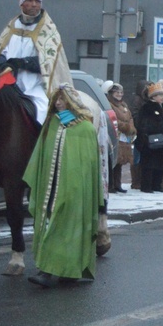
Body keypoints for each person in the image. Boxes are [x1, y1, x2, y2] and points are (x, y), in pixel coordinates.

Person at [23, 85, 104, 288]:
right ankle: (48, 269)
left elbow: (90, 166)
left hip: (75, 190)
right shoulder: (51, 125)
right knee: (51, 223)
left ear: (72, 102)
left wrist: (79, 188)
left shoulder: (85, 129)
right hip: (50, 189)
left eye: (62, 99)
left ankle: (64, 270)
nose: (58, 103)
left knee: (68, 227)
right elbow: (40, 155)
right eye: (56, 99)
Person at [0, 0, 72, 126]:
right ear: (21, 3)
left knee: (42, 109)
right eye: (29, 1)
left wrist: (22, 62)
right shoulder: (13, 25)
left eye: (37, 1)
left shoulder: (47, 28)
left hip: (35, 85)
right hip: (9, 81)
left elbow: (48, 61)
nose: (34, 5)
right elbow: (0, 50)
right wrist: (3, 62)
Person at [134, 82, 163, 193]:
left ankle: (157, 185)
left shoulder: (161, 106)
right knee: (149, 165)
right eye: (160, 95)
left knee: (160, 164)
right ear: (153, 96)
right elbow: (144, 124)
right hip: (151, 141)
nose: (162, 97)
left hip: (162, 141)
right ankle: (147, 186)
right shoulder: (147, 107)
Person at [104, 81, 136, 193]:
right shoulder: (109, 104)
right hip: (115, 136)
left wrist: (131, 128)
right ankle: (111, 185)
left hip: (124, 138)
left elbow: (130, 117)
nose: (119, 94)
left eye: (121, 92)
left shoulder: (124, 105)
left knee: (120, 162)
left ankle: (117, 184)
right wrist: (126, 127)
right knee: (114, 161)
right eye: (117, 92)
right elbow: (112, 119)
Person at [130, 80, 154, 190]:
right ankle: (136, 181)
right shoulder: (138, 100)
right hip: (140, 132)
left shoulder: (143, 100)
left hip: (144, 131)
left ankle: (138, 181)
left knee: (140, 156)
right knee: (137, 157)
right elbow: (136, 115)